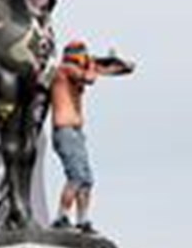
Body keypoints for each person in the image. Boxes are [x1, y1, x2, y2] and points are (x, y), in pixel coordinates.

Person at [50, 41, 135, 234]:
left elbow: (110, 71)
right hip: (65, 131)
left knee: (87, 179)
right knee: (76, 177)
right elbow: (89, 78)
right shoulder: (64, 70)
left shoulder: (79, 71)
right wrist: (92, 64)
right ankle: (61, 217)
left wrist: (120, 65)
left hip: (76, 132)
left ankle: (82, 220)